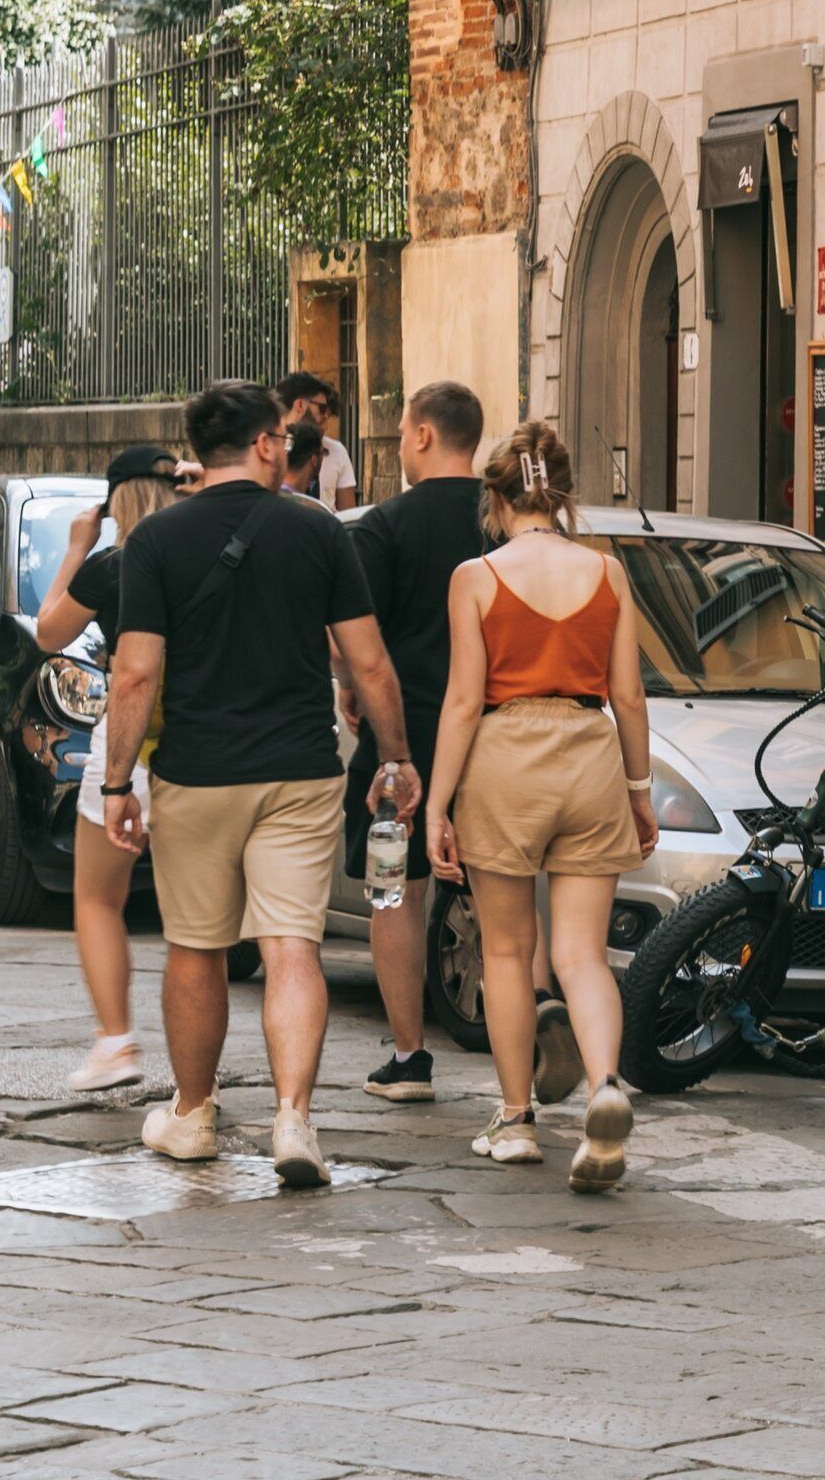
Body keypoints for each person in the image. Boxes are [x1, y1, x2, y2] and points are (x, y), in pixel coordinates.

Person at [95, 380, 414, 1188]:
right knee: (291, 947)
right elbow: (369, 660)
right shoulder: (316, 534)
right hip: (299, 770)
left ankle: (194, 1115)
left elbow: (134, 676)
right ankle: (293, 1120)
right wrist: (397, 756)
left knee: (197, 949)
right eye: (286, 435)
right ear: (267, 444)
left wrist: (115, 783)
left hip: (197, 773)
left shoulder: (157, 540)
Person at [422, 419, 652, 1188]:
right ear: (560, 493)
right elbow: (628, 696)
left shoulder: (476, 578)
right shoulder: (608, 574)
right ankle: (607, 1085)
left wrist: (437, 805)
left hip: (507, 760)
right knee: (582, 953)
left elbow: (461, 702)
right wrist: (639, 791)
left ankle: (517, 1119)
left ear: (496, 495)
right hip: (590, 754)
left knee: (508, 953)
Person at [344, 381, 496, 1106]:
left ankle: (409, 1057)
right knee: (505, 892)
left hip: (404, 740)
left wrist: (359, 703)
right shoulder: (506, 527)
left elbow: (358, 641)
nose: (401, 445)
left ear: (426, 436)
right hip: (495, 738)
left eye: (404, 432)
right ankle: (525, 1052)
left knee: (395, 895)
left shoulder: (385, 526)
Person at [37, 444, 188, 1092]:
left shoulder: (113, 564)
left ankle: (116, 1041)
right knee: (195, 916)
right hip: (201, 742)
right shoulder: (202, 552)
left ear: (115, 500)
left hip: (127, 746)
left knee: (98, 899)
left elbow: (47, 631)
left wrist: (78, 545)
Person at [277, 372, 359, 511]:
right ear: (300, 405)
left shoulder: (335, 451)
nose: (325, 425)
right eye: (321, 409)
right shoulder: (268, 449)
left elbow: (348, 515)